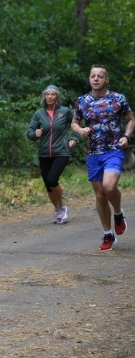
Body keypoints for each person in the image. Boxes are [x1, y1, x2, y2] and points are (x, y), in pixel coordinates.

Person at [71, 65, 135, 251]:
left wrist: (126, 136)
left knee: (109, 187)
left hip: (114, 149)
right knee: (100, 194)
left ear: (106, 80)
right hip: (93, 153)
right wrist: (80, 130)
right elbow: (75, 122)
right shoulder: (82, 101)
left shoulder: (118, 99)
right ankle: (108, 234)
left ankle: (118, 213)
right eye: (93, 76)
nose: (96, 79)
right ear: (89, 79)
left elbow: (131, 119)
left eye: (100, 76)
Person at [26, 85, 77, 224]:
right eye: (47, 94)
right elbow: (29, 132)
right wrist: (34, 134)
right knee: (48, 184)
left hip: (61, 151)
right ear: (44, 97)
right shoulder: (39, 114)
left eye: (53, 94)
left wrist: (74, 139)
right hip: (44, 154)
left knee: (52, 179)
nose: (49, 97)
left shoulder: (65, 111)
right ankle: (59, 210)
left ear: (57, 97)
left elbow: (76, 124)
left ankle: (62, 207)